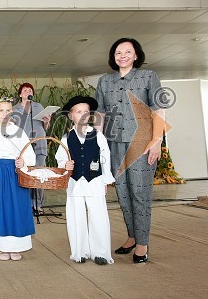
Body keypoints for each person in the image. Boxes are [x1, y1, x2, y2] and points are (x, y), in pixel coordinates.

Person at [95, 38, 164, 263]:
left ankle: (142, 244)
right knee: (123, 194)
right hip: (114, 143)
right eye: (118, 52)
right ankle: (132, 236)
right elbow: (101, 115)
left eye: (127, 51)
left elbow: (159, 110)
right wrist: (96, 142)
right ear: (113, 57)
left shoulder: (148, 77)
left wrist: (157, 141)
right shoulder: (105, 81)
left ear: (136, 55)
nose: (122, 55)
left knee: (140, 194)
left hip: (141, 143)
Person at [55, 95, 115, 265]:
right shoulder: (66, 138)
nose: (82, 115)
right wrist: (65, 164)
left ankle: (101, 252)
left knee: (98, 215)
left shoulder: (98, 136)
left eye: (86, 112)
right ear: (71, 115)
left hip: (94, 181)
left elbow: (105, 158)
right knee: (76, 216)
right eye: (78, 111)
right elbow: (60, 157)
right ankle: (79, 252)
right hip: (75, 182)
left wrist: (105, 181)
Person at [0, 97, 36, 261]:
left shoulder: (19, 131)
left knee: (16, 208)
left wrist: (23, 161)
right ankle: (2, 247)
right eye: (1, 110)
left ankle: (16, 247)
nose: (5, 114)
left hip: (15, 174)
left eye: (8, 110)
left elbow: (29, 155)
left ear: (13, 112)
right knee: (0, 209)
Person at [13, 83, 51, 215]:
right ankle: (26, 204)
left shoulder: (38, 106)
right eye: (25, 90)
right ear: (20, 94)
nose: (28, 92)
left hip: (39, 142)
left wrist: (47, 121)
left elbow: (45, 127)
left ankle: (38, 204)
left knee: (39, 173)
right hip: (23, 146)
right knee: (26, 174)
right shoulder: (15, 109)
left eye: (30, 90)